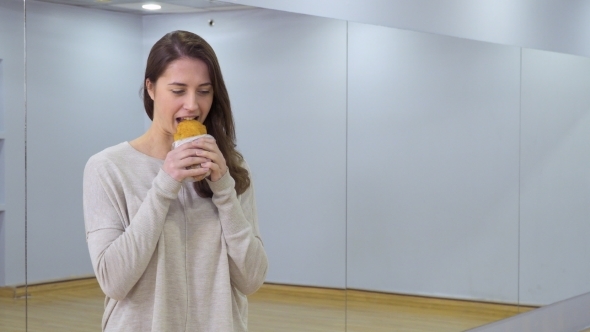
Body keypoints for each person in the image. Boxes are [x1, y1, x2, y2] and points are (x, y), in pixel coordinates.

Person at [83, 30, 268, 332]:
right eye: (178, 91)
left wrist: (224, 189)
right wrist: (165, 184)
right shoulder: (108, 168)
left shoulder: (231, 167)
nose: (193, 105)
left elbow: (251, 279)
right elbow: (114, 281)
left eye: (204, 91)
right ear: (151, 88)